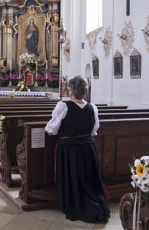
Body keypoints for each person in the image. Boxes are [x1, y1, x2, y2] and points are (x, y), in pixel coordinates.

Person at [45, 76, 110, 223]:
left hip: (70, 149)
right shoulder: (92, 107)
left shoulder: (63, 106)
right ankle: (95, 204)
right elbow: (94, 130)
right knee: (88, 178)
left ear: (70, 90)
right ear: (84, 91)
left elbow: (51, 130)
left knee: (73, 175)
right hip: (88, 147)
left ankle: (77, 203)